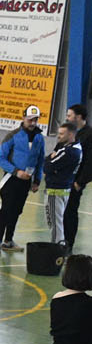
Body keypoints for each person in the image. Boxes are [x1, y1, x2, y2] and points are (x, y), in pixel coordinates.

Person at [0, 106, 46, 254]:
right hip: (10, 180)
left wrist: (37, 181)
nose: (33, 123)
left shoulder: (39, 138)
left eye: (35, 120)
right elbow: (0, 158)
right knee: (5, 210)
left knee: (16, 211)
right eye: (30, 119)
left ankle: (8, 241)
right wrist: (16, 172)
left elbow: (40, 160)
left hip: (26, 182)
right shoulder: (12, 136)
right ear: (24, 118)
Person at [44, 123, 84, 246]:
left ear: (70, 134)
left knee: (55, 226)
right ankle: (58, 247)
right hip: (63, 189)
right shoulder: (73, 147)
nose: (58, 136)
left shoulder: (69, 151)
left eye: (61, 134)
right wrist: (51, 160)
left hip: (55, 191)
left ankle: (57, 250)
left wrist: (49, 160)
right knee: (56, 224)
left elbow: (47, 166)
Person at [65, 104, 92, 251]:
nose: (67, 118)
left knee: (70, 211)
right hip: (63, 179)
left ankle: (68, 243)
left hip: (75, 181)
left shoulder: (89, 135)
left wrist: (80, 182)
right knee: (61, 211)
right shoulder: (70, 132)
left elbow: (89, 162)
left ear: (79, 117)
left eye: (69, 115)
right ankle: (60, 240)